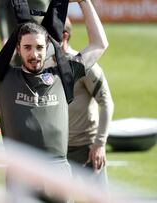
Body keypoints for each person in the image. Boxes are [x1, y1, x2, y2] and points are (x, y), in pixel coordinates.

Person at [0, 0, 108, 201]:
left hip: (58, 175)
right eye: (27, 47)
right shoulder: (2, 75)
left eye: (39, 47)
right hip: (20, 175)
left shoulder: (64, 76)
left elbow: (99, 44)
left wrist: (84, 2)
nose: (34, 54)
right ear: (18, 47)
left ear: (48, 47)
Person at [63, 19, 114, 188]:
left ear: (64, 36)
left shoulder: (84, 64)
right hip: (58, 150)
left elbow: (106, 102)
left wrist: (99, 144)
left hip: (86, 149)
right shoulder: (45, 64)